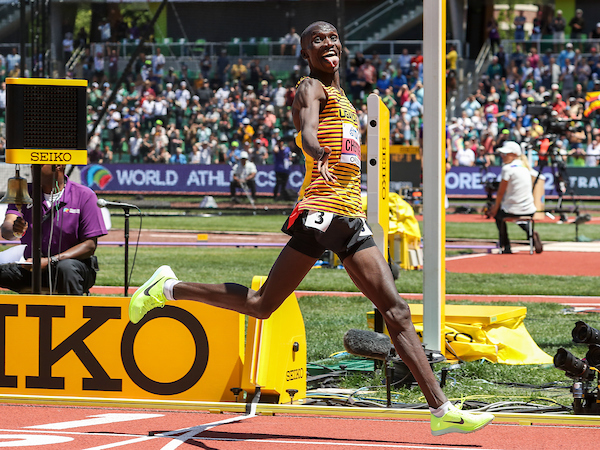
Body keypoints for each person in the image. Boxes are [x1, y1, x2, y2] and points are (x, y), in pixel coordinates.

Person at [128, 21, 494, 437]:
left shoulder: (343, 97)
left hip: (350, 217)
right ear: (305, 52)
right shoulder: (310, 87)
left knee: (396, 311)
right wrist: (317, 148)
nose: (328, 44)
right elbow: (306, 132)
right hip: (321, 212)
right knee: (264, 303)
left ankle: (441, 411)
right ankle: (168, 288)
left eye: (333, 37)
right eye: (317, 40)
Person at [0, 164, 106, 294]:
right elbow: (7, 228)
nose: (33, 167)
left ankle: (71, 313)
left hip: (73, 268)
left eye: (40, 163)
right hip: (31, 267)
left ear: (58, 166)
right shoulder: (23, 192)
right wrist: (14, 228)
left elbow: (89, 245)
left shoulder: (84, 195)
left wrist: (52, 261)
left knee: (66, 268)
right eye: (32, 163)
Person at [489, 141, 542, 254]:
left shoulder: (507, 169)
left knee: (499, 215)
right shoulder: (526, 167)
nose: (502, 157)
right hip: (530, 209)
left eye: (505, 154)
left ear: (514, 154)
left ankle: (506, 245)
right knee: (519, 215)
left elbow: (500, 193)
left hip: (512, 210)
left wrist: (494, 207)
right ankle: (531, 234)